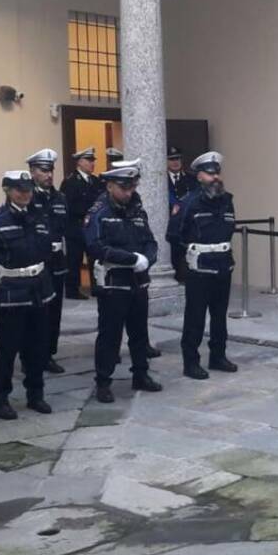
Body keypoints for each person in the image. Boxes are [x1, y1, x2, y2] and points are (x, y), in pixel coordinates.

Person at [0, 170, 54, 420]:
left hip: (38, 289)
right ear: (7, 190)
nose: (25, 194)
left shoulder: (39, 216)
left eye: (28, 189)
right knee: (8, 349)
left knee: (38, 347)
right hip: (11, 293)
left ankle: (35, 394)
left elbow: (46, 250)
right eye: (19, 189)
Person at [84, 164, 162, 404]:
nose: (129, 192)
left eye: (132, 187)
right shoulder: (99, 212)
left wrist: (148, 258)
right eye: (123, 187)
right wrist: (129, 259)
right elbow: (95, 246)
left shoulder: (137, 211)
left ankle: (141, 373)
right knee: (110, 335)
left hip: (138, 282)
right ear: (109, 186)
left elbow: (150, 241)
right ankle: (103, 382)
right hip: (113, 283)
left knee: (139, 332)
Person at [168, 151, 238, 379]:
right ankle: (191, 361)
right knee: (195, 316)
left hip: (223, 266)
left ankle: (218, 356)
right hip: (199, 269)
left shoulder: (227, 200)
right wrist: (189, 256)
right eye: (210, 174)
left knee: (219, 316)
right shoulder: (188, 203)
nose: (215, 177)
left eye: (217, 172)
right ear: (199, 176)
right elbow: (174, 235)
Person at [27, 149, 68, 374]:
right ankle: (30, 354)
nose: (49, 174)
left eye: (51, 170)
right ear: (32, 171)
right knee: (35, 311)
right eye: (44, 170)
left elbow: (64, 228)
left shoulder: (60, 197)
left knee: (54, 311)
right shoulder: (27, 196)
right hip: (37, 262)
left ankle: (48, 354)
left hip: (57, 261)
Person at [61, 147, 103, 299]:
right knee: (74, 259)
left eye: (93, 160)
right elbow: (69, 205)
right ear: (79, 162)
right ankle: (72, 290)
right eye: (88, 160)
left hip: (92, 226)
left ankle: (96, 287)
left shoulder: (96, 181)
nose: (92, 164)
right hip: (76, 226)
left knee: (94, 257)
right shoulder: (70, 182)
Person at [167, 146, 194, 282]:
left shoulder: (191, 179)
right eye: (171, 159)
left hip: (186, 224)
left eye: (177, 158)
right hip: (168, 225)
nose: (175, 162)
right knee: (172, 255)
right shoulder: (161, 180)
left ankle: (185, 279)